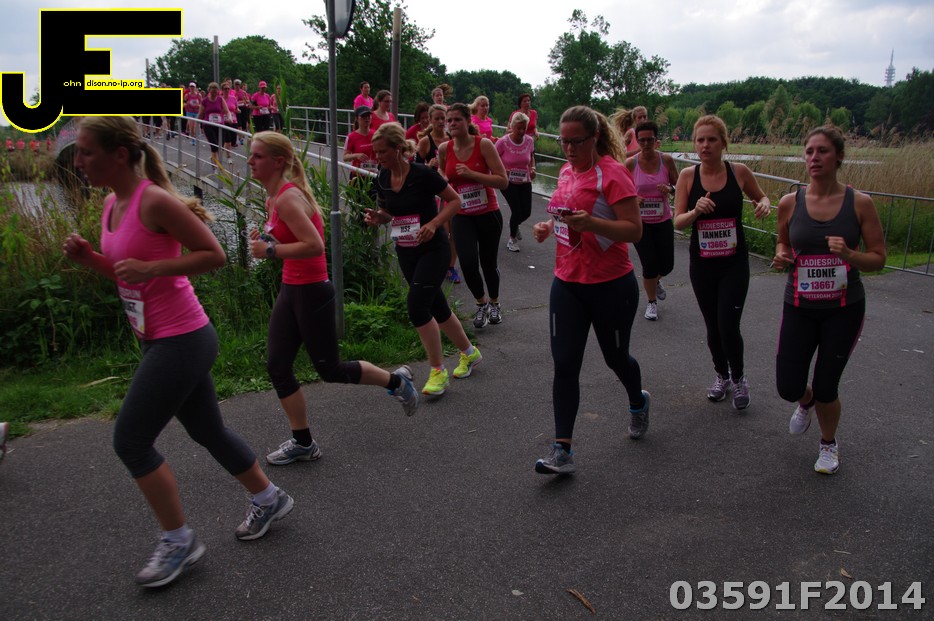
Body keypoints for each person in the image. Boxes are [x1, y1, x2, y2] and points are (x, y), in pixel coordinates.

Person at [62, 116, 293, 588]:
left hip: (183, 338)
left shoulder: (154, 200)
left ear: (119, 154)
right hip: (156, 337)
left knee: (130, 441)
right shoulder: (111, 203)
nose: (78, 160)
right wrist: (90, 260)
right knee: (207, 429)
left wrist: (154, 267)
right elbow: (129, 273)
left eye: (86, 151)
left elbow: (214, 254)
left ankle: (178, 540)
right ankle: (269, 498)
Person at [246, 130, 419, 466]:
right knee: (277, 366)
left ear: (278, 162)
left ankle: (396, 381)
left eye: (257, 156)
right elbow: (291, 240)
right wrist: (267, 240)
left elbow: (314, 246)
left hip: (311, 291)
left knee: (330, 369)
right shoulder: (273, 198)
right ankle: (303, 443)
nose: (250, 161)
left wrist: (270, 250)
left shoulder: (286, 198)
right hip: (291, 288)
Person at [531, 105, 650, 475]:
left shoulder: (612, 174)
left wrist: (594, 224)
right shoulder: (566, 171)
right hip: (568, 282)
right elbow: (565, 212)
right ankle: (562, 449)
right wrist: (548, 226)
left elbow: (634, 230)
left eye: (576, 142)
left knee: (616, 359)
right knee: (565, 363)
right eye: (563, 142)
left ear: (595, 137)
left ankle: (637, 400)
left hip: (610, 285)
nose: (568, 149)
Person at [772, 125, 886, 474]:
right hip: (799, 306)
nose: (814, 157)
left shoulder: (860, 203)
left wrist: (850, 254)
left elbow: (878, 258)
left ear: (839, 157)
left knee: (826, 385)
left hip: (843, 309)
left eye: (822, 151)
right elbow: (783, 241)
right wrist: (782, 254)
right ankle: (804, 401)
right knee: (787, 385)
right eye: (809, 151)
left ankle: (827, 444)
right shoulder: (790, 202)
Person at [365, 123, 482, 396]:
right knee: (437, 306)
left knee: (417, 307)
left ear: (398, 149)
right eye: (375, 152)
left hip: (434, 249)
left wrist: (434, 223)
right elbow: (389, 212)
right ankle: (470, 353)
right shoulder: (383, 176)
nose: (378, 157)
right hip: (406, 250)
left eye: (382, 152)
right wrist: (379, 218)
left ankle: (437, 371)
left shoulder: (422, 174)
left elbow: (455, 201)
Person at [673, 114, 772, 409]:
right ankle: (721, 375)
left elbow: (762, 197)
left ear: (723, 143)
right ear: (694, 144)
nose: (705, 145)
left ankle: (738, 377)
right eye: (700, 140)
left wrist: (764, 204)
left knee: (728, 324)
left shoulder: (739, 171)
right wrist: (695, 212)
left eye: (712, 140)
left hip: (733, 264)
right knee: (713, 327)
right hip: (702, 265)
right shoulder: (687, 176)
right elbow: (678, 222)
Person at [438, 103, 508, 327]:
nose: (452, 124)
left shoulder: (483, 144)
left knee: (488, 263)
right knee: (468, 263)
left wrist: (473, 174)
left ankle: (495, 302)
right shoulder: (444, 148)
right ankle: (481, 303)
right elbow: (442, 170)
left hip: (488, 213)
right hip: (461, 214)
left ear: (468, 121)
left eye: (457, 119)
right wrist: (442, 179)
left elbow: (503, 180)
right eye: (449, 120)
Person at [624, 120, 679, 321]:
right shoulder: (631, 163)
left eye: (650, 140)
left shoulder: (666, 160)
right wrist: (633, 198)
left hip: (662, 220)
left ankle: (655, 281)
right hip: (640, 224)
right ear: (637, 141)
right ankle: (651, 302)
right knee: (649, 265)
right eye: (642, 140)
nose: (646, 144)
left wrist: (670, 189)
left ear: (656, 140)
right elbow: (622, 192)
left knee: (667, 265)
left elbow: (680, 186)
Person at [416, 104, 461, 284]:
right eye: (437, 119)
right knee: (441, 231)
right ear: (430, 120)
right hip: (433, 193)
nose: (442, 122)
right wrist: (429, 166)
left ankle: (450, 267)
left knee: (455, 231)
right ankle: (435, 264)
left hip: (451, 190)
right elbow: (415, 169)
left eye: (444, 118)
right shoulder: (425, 141)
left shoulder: (452, 139)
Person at [495, 111, 536, 252]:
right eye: (519, 128)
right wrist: (501, 170)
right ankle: (512, 239)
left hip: (524, 180)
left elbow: (531, 156)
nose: (522, 131)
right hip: (508, 182)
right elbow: (492, 158)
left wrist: (533, 168)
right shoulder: (503, 142)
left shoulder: (529, 141)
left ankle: (514, 223)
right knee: (517, 211)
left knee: (526, 212)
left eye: (524, 128)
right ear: (512, 127)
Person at [197, 82, 231, 171]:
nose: (214, 94)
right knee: (214, 146)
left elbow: (227, 111)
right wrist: (198, 124)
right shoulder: (205, 101)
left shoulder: (220, 99)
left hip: (220, 125)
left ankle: (218, 163)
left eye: (215, 92)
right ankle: (215, 166)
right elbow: (201, 114)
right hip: (209, 125)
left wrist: (229, 117)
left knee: (220, 147)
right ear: (209, 91)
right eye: (212, 92)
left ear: (218, 92)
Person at [221, 81, 240, 165]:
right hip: (224, 122)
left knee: (233, 141)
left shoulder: (233, 98)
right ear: (222, 90)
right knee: (228, 140)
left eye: (228, 89)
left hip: (233, 120)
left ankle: (223, 148)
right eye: (225, 89)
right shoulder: (220, 99)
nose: (227, 90)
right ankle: (228, 156)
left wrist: (238, 110)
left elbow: (236, 108)